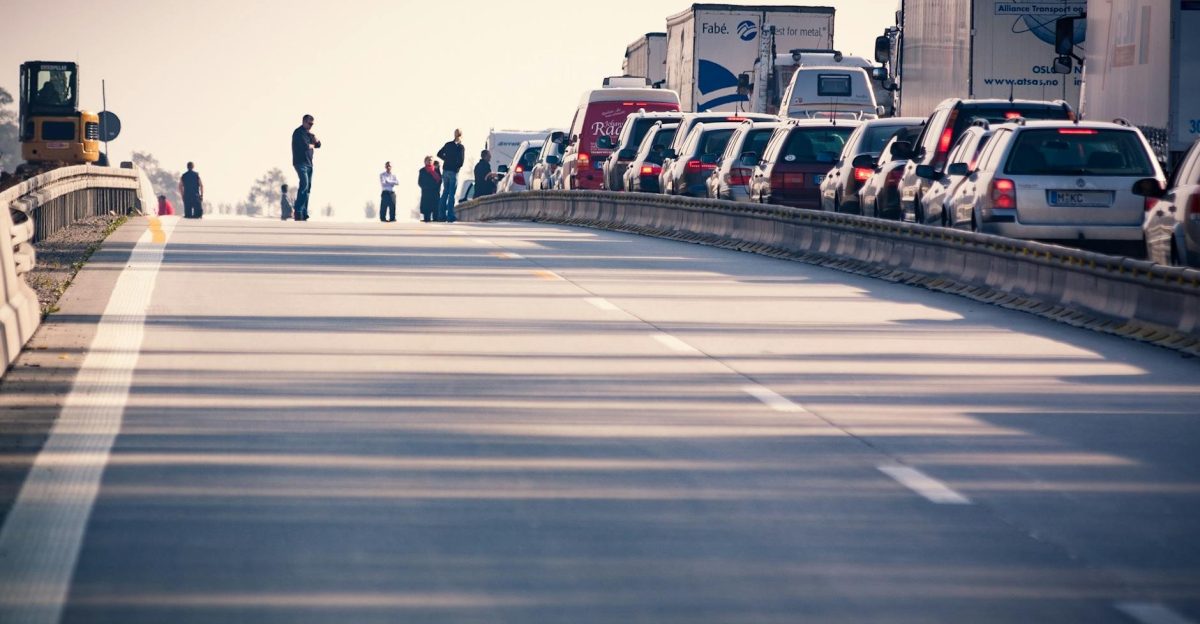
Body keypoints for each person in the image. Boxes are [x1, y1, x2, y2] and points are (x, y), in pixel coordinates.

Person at [291, 114, 321, 221]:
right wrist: (313, 144)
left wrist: (315, 140)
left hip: (309, 164)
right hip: (300, 163)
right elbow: (306, 146)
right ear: (304, 121)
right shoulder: (299, 132)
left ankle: (304, 212)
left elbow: (319, 145)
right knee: (304, 184)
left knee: (307, 189)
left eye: (312, 124)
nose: (311, 125)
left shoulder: (309, 134)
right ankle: (298, 211)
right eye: (309, 123)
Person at [436, 129, 465, 222]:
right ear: (461, 136)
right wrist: (455, 165)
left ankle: (441, 215)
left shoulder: (448, 144)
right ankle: (450, 216)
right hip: (453, 171)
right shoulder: (460, 147)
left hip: (445, 170)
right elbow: (461, 162)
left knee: (445, 192)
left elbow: (439, 154)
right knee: (452, 194)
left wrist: (446, 159)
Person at [418, 156, 441, 223]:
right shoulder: (422, 171)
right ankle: (426, 218)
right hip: (426, 192)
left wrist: (436, 187)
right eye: (428, 160)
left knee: (435, 206)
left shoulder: (436, 170)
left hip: (435, 191)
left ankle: (435, 218)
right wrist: (425, 187)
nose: (430, 161)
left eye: (431, 160)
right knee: (426, 207)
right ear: (425, 161)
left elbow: (439, 180)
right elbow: (420, 182)